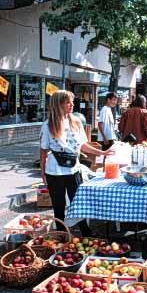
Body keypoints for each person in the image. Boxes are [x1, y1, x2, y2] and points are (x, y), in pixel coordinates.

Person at [40, 90, 113, 233]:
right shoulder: (48, 125)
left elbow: (83, 145)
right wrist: (42, 174)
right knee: (59, 205)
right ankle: (61, 234)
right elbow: (43, 151)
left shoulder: (76, 121)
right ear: (58, 104)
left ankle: (85, 231)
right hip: (54, 171)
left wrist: (102, 152)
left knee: (77, 202)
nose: (72, 104)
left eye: (72, 101)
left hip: (73, 168)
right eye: (68, 102)